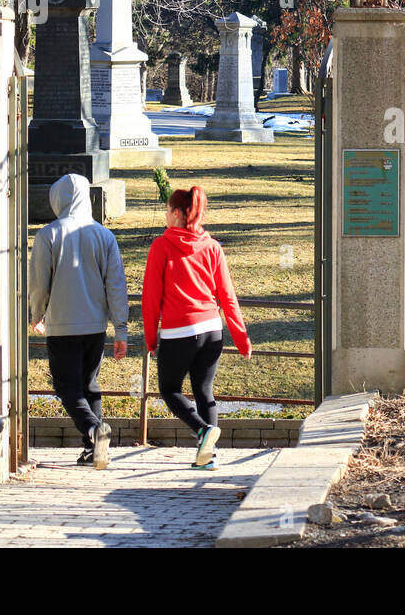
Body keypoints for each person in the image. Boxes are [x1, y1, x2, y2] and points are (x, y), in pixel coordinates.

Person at [141, 185, 252, 469]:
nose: (166, 215)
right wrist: (241, 339)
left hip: (179, 332)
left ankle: (202, 431)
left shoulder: (161, 247)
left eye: (168, 210)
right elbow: (227, 294)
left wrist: (151, 338)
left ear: (177, 213)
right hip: (212, 329)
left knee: (169, 390)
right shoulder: (212, 247)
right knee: (204, 391)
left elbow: (151, 297)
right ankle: (208, 456)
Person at [28, 173, 129, 469]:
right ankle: (93, 448)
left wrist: (37, 314)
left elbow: (39, 283)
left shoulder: (48, 234)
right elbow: (116, 285)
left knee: (67, 387)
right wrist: (120, 328)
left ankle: (93, 430)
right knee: (89, 385)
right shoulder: (104, 235)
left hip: (61, 323)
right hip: (95, 325)